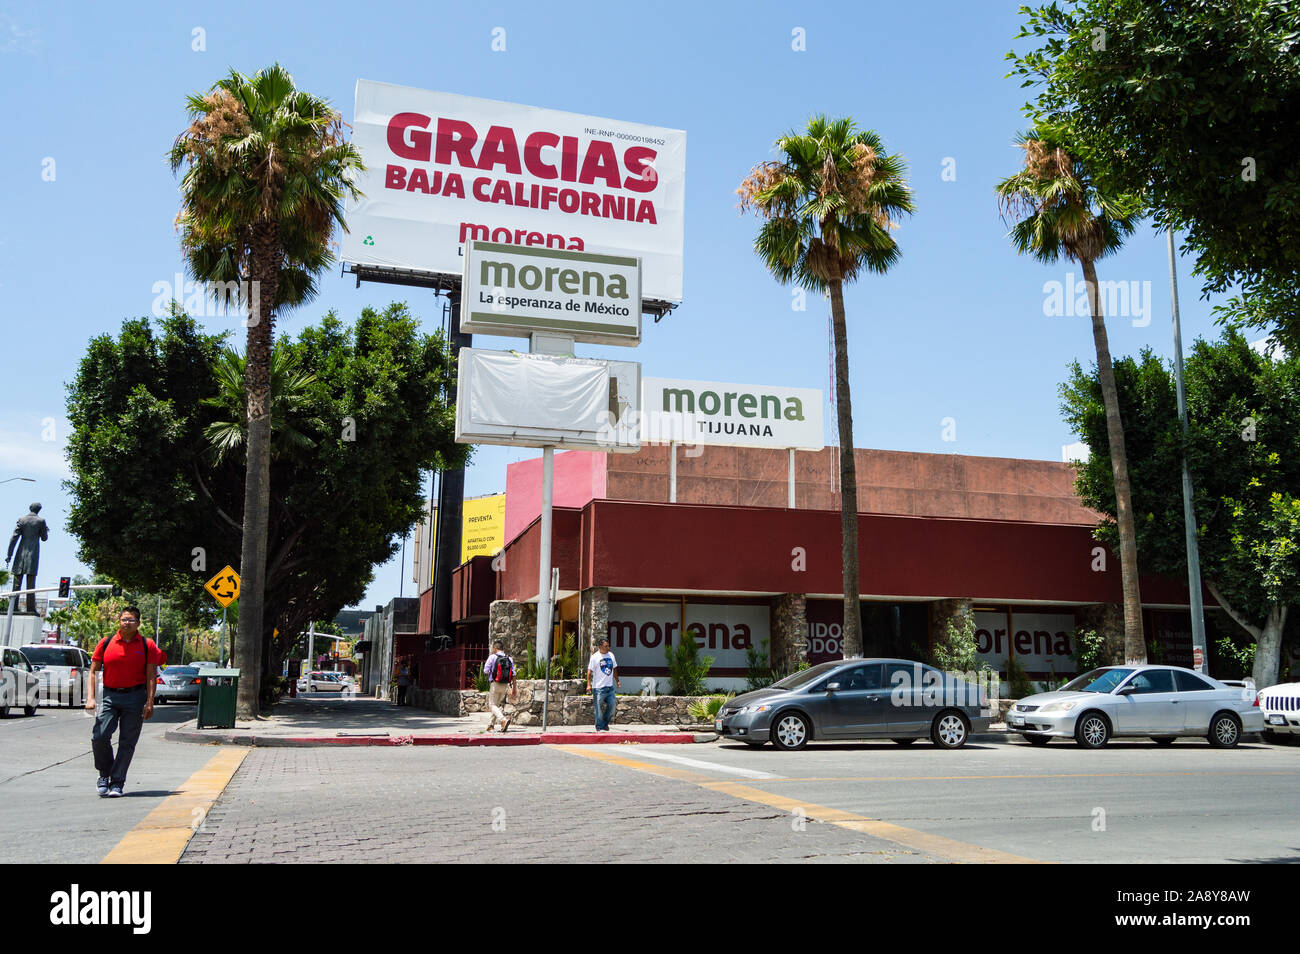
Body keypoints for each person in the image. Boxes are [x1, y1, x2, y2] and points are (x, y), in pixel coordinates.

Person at [85, 606, 163, 798]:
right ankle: (104, 774)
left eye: (131, 620)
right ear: (118, 622)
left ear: (138, 623)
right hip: (110, 696)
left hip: (135, 697)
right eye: (123, 619)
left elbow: (151, 676)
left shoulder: (147, 645)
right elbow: (93, 671)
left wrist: (150, 701)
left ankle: (117, 783)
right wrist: (91, 697)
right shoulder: (106, 643)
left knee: (127, 742)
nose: (126, 623)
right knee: (100, 736)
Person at [586, 637, 621, 731]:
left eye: (608, 646)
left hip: (609, 688)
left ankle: (604, 724)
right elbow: (589, 672)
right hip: (598, 688)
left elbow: (614, 669)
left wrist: (617, 680)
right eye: (606, 646)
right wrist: (588, 685)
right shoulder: (595, 657)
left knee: (612, 707)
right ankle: (599, 727)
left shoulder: (611, 655)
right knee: (599, 710)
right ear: (600, 646)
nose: (608, 648)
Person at [482, 641, 516, 732]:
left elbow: (485, 671)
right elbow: (513, 674)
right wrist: (515, 689)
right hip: (505, 685)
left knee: (492, 705)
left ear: (495, 649)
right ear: (503, 649)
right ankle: (491, 725)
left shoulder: (492, 657)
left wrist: (491, 672)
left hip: (495, 684)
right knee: (496, 705)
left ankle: (503, 720)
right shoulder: (509, 659)